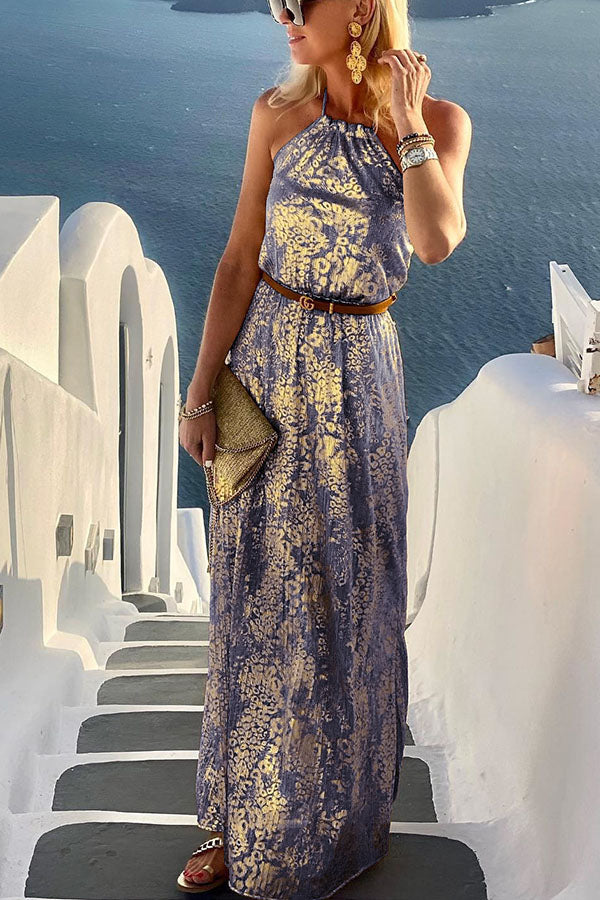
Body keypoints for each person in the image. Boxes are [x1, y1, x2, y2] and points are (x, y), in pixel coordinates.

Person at [177, 0, 471, 896]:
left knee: (349, 601)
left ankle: (337, 826)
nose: (284, 15)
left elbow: (436, 240)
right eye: (276, 3)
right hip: (266, 369)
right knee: (259, 601)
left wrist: (408, 124)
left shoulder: (439, 121)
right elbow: (239, 259)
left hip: (360, 383)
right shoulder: (277, 113)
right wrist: (200, 391)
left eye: (300, 2)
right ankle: (236, 818)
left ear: (363, 7)